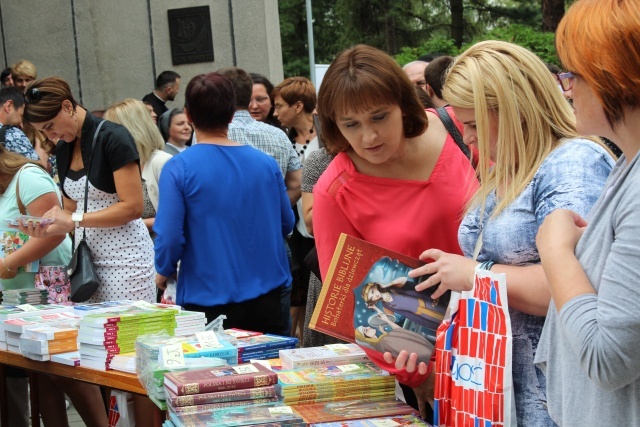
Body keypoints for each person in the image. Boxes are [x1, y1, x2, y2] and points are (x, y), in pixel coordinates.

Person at [394, 41, 614, 424]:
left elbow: (579, 289)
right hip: (494, 389)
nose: (466, 136)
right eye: (462, 121)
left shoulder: (572, 163)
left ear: (516, 111)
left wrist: (473, 274)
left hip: (548, 400)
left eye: (476, 123)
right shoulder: (509, 168)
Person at [313, 44, 478, 417]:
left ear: (404, 103)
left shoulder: (457, 128)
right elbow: (353, 308)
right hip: (430, 359)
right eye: (351, 124)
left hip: (508, 321)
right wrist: (420, 376)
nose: (369, 136)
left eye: (379, 116)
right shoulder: (335, 190)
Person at [534, 0, 640, 425]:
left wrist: (555, 249)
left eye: (573, 74)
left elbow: (608, 357)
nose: (566, 88)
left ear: (615, 76)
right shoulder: (627, 164)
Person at [154, 72, 295, 333]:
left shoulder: (179, 168)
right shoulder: (265, 164)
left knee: (215, 373)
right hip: (267, 292)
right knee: (270, 371)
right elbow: (286, 222)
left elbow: (170, 236)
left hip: (207, 296)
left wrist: (163, 270)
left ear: (189, 114)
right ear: (232, 113)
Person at [21, 77, 156, 304]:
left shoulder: (113, 136)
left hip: (126, 260)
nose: (50, 136)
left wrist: (73, 219)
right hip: (85, 265)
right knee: (91, 337)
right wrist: (45, 229)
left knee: (126, 334)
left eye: (50, 126)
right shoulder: (63, 148)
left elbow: (133, 208)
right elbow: (70, 215)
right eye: (42, 131)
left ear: (67, 106)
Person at [0, 145, 107, 427]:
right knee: (40, 372)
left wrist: (9, 263)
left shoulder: (28, 178)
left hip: (48, 288)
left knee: (64, 368)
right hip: (19, 296)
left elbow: (55, 232)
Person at [272, 76, 322, 340]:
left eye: (280, 106)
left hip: (321, 231)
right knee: (295, 298)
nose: (275, 112)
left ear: (298, 105)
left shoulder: (326, 136)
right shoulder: (283, 140)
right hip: (296, 231)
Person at [104, 98, 172, 236]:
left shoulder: (162, 162)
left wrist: (126, 223)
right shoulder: (118, 166)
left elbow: (175, 217)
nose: (105, 136)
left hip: (159, 251)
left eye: (111, 130)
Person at [0, 87, 43, 163]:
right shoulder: (12, 133)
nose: (21, 124)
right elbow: (37, 168)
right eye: (21, 116)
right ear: (9, 106)